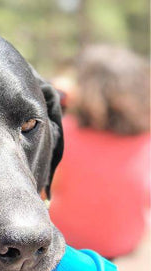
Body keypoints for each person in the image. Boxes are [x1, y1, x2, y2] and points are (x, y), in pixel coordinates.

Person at [50, 45, 150, 258]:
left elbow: (47, 188)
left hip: (68, 242)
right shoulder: (145, 141)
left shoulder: (65, 132)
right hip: (122, 243)